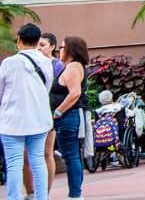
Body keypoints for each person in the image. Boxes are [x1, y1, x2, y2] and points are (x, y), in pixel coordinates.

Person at [0, 24, 53, 200]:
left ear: (19, 40)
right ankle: (42, 197)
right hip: (39, 118)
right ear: (38, 41)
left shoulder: (9, 63)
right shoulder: (46, 62)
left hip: (11, 121)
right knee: (38, 160)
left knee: (14, 162)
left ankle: (14, 197)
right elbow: (46, 87)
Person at [22, 33, 63, 199]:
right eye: (37, 45)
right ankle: (30, 192)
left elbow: (61, 90)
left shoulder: (57, 66)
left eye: (43, 45)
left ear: (52, 47)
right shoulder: (27, 63)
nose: (39, 48)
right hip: (29, 113)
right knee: (24, 154)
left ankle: (44, 193)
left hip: (48, 113)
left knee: (47, 152)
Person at [51, 35, 87, 200]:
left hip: (67, 117)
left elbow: (75, 93)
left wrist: (58, 111)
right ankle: (76, 193)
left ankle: (75, 194)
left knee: (71, 155)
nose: (60, 50)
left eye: (62, 47)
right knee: (71, 155)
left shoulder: (73, 67)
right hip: (67, 117)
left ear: (71, 50)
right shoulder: (72, 66)